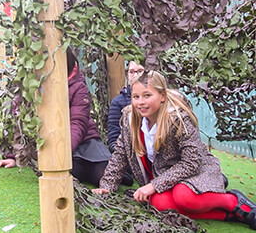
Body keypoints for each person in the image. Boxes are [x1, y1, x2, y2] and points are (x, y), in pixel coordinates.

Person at [93, 71, 256, 230]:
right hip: (165, 176)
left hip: (197, 170)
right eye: (136, 97)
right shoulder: (131, 120)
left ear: (162, 96)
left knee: (184, 196)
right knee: (159, 205)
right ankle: (230, 215)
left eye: (147, 95)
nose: (140, 102)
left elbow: (192, 162)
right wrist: (107, 186)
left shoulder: (178, 118)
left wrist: (154, 185)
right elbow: (120, 155)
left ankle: (233, 201)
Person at [0, 47, 112, 187]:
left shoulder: (77, 85)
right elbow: (19, 121)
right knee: (65, 171)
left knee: (102, 176)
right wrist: (13, 156)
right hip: (50, 143)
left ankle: (112, 166)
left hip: (82, 141)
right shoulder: (29, 86)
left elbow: (78, 123)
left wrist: (61, 151)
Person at [108, 61, 144, 153]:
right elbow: (113, 138)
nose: (135, 75)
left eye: (140, 71)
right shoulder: (117, 102)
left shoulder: (157, 99)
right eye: (131, 72)